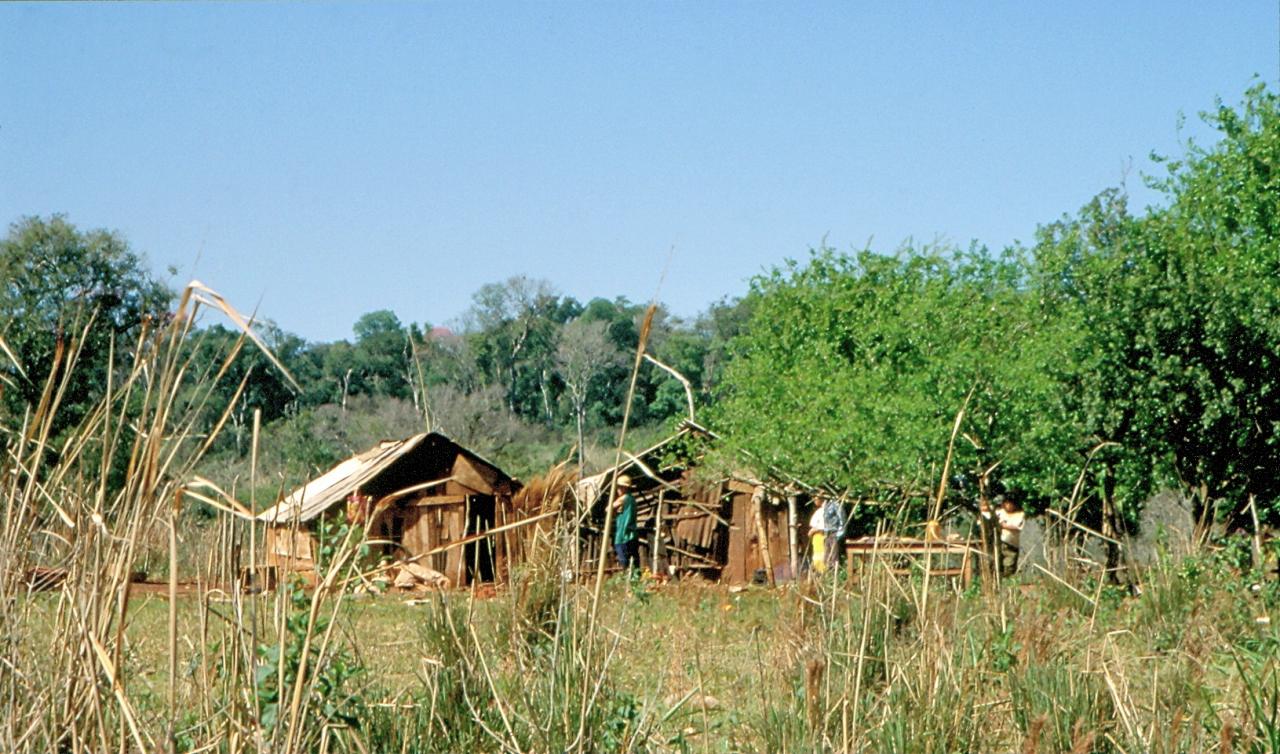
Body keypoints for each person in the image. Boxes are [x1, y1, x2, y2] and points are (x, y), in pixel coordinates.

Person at [981, 495, 1025, 576]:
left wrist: (1003, 525)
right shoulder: (1000, 512)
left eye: (1010, 504)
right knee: (996, 565)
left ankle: (1007, 584)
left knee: (1009, 567)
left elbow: (1017, 527)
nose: (1008, 506)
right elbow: (985, 510)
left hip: (1011, 545)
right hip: (999, 544)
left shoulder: (1020, 514)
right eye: (1006, 503)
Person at [612, 474, 639, 575]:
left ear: (624, 488)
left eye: (619, 487)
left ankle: (628, 581)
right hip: (632, 535)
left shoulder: (624, 498)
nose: (617, 489)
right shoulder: (632, 500)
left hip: (623, 536)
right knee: (634, 562)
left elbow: (608, 508)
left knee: (624, 563)